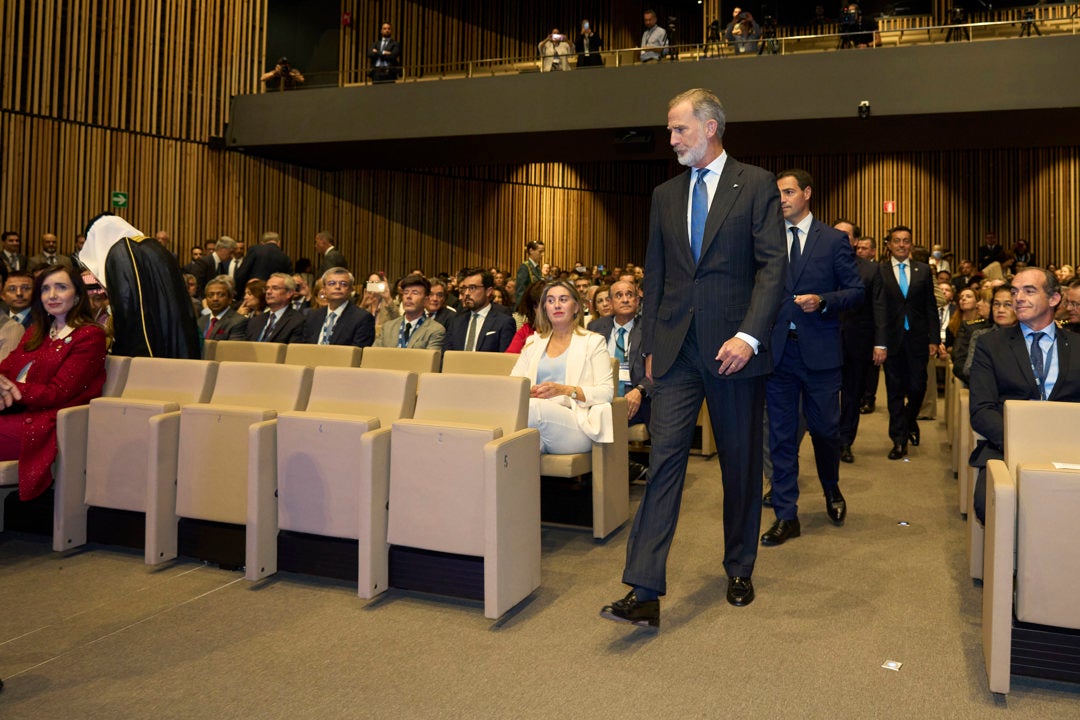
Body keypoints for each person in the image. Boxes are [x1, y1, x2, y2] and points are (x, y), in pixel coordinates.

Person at [600, 88, 786, 627]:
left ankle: (739, 567)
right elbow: (657, 275)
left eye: (679, 129)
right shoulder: (665, 194)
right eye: (670, 130)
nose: (672, 139)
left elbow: (773, 268)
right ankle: (643, 588)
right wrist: (648, 349)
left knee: (740, 465)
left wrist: (748, 336)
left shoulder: (756, 184)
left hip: (734, 353)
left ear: (709, 127)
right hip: (677, 353)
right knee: (664, 463)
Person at [760, 171, 863, 547]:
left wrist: (823, 301)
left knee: (824, 431)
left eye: (788, 192)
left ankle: (831, 487)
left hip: (820, 354)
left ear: (807, 193)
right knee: (781, 435)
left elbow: (855, 291)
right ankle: (786, 515)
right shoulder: (766, 238)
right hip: (779, 355)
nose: (782, 199)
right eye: (778, 194)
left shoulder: (832, 240)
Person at [968, 268, 1080, 523]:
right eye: (1015, 291)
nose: (1018, 298)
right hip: (1007, 446)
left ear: (1053, 299)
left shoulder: (1076, 346)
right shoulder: (991, 345)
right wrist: (1021, 442)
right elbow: (982, 410)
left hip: (1070, 447)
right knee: (990, 504)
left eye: (1029, 291)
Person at [0, 265, 107, 501]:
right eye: (45, 289)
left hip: (48, 423)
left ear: (77, 295)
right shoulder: (36, 331)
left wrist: (9, 389)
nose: (52, 295)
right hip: (16, 412)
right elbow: (5, 369)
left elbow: (56, 394)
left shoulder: (89, 336)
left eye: (61, 287)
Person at [510, 281, 613, 454]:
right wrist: (528, 392)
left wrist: (564, 390)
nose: (556, 305)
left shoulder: (593, 342)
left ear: (576, 307)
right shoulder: (533, 343)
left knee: (532, 408)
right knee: (512, 450)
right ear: (544, 308)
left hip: (577, 424)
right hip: (536, 426)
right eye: (550, 301)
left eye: (563, 299)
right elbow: (513, 386)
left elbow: (606, 392)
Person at [879, 226, 940, 459]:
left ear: (911, 244)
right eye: (897, 241)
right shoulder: (880, 271)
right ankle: (898, 440)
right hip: (892, 340)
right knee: (894, 390)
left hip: (918, 339)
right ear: (889, 245)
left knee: (917, 387)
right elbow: (878, 308)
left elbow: (930, 306)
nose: (901, 245)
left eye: (906, 241)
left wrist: (934, 338)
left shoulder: (923, 270)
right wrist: (879, 341)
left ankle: (908, 419)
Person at [836, 221, 886, 464]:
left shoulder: (871, 270)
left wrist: (880, 343)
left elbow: (879, 307)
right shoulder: (818, 263)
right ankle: (826, 438)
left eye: (846, 235)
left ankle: (845, 442)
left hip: (858, 341)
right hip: (824, 341)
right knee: (822, 394)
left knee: (852, 395)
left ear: (855, 241)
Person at [588, 280, 652, 427]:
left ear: (637, 300)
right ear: (610, 302)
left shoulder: (648, 328)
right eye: (619, 295)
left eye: (629, 295)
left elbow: (657, 369)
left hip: (637, 397)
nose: (625, 300)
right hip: (602, 397)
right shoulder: (595, 327)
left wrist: (640, 390)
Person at [443, 268, 516, 352]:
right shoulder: (456, 321)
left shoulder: (503, 322)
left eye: (472, 288)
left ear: (488, 291)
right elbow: (446, 355)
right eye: (465, 288)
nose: (466, 293)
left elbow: (505, 358)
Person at [302, 268, 374, 347]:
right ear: (324, 289)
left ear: (351, 289)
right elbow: (303, 347)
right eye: (331, 283)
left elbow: (357, 351)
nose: (337, 287)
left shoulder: (362, 318)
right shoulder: (313, 316)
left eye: (343, 284)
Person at [375, 274, 444, 349]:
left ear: (425, 300)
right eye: (406, 293)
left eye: (415, 293)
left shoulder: (435, 330)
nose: (408, 296)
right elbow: (374, 353)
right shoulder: (388, 327)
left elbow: (430, 356)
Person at [246, 273, 305, 343]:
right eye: (267, 288)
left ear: (289, 293)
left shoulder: (297, 321)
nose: (268, 292)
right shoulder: (255, 321)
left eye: (275, 288)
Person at [199, 276, 249, 341]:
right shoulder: (201, 321)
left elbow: (234, 346)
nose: (215, 299)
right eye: (211, 295)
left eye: (220, 295)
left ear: (230, 298)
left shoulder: (238, 321)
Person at [507, 281, 544, 353]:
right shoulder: (525, 331)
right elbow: (509, 357)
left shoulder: (564, 331)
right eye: (535, 306)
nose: (540, 309)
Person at [514, 241, 545, 307]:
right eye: (540, 252)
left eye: (543, 252)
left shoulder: (537, 268)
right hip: (528, 306)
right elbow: (520, 291)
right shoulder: (525, 267)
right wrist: (521, 308)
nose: (542, 254)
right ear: (531, 251)